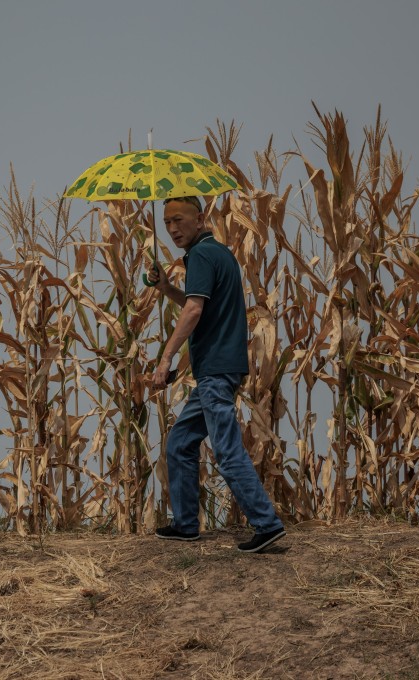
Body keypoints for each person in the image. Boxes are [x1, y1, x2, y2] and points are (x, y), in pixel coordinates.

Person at [148, 195, 286, 553]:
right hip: (219, 368)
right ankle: (185, 525)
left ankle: (267, 524)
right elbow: (200, 304)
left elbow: (194, 311)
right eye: (167, 223)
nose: (173, 229)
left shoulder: (201, 256)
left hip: (215, 368)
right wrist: (166, 288)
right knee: (181, 442)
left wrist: (166, 359)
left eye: (179, 220)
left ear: (200, 218)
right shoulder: (218, 253)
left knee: (225, 448)